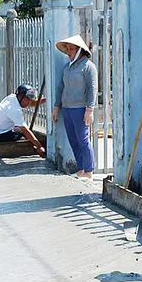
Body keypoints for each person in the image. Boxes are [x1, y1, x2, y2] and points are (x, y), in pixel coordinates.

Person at [51, 35, 98, 180]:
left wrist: (89, 110)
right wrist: (56, 107)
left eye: (71, 49)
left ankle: (89, 171)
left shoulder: (88, 67)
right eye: (68, 49)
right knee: (73, 140)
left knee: (83, 139)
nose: (69, 52)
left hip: (80, 108)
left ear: (80, 51)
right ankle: (81, 168)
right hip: (67, 108)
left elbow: (93, 89)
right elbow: (61, 88)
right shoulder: (68, 67)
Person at [0, 84, 45, 155]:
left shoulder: (12, 98)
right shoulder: (14, 109)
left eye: (30, 99)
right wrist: (39, 146)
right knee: (22, 132)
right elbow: (25, 130)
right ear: (20, 97)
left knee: (21, 131)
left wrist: (46, 99)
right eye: (27, 99)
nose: (29, 102)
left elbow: (33, 103)